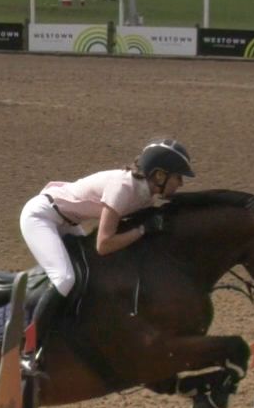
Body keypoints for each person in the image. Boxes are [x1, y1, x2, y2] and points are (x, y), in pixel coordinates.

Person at [17, 140, 195, 373]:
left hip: (68, 222)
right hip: (41, 217)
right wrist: (142, 230)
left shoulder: (145, 195)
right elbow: (103, 244)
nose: (181, 183)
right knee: (64, 278)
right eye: (178, 177)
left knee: (94, 271)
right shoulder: (124, 188)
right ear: (159, 175)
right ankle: (28, 349)